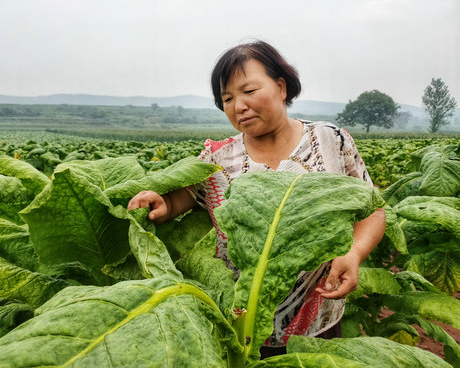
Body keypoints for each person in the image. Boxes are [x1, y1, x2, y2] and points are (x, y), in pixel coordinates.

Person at [128, 40, 386, 357]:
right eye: (227, 98)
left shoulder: (330, 140)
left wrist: (354, 253)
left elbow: (372, 211)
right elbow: (179, 198)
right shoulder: (217, 156)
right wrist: (158, 202)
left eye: (249, 91)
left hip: (315, 319)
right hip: (237, 323)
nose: (239, 106)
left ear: (281, 86)